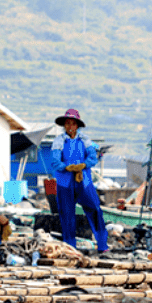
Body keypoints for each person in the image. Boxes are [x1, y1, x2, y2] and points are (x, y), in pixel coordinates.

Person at [51, 108, 108, 252]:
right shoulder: (59, 141)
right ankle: (70, 247)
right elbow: (55, 162)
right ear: (64, 125)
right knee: (67, 214)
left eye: (73, 123)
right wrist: (67, 167)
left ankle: (102, 244)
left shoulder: (85, 140)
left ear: (77, 125)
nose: (70, 126)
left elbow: (92, 157)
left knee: (95, 209)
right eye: (67, 123)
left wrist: (84, 165)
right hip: (65, 183)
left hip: (84, 182)